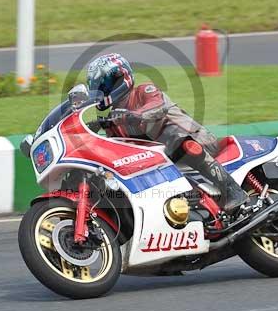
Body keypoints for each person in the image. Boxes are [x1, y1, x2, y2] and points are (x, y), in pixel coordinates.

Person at [85, 53, 248, 215]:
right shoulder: (114, 120)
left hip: (197, 141)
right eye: (98, 87)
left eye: (104, 85)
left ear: (121, 78)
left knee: (172, 135)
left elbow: (157, 107)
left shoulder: (144, 91)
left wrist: (135, 115)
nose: (101, 91)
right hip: (165, 159)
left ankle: (231, 189)